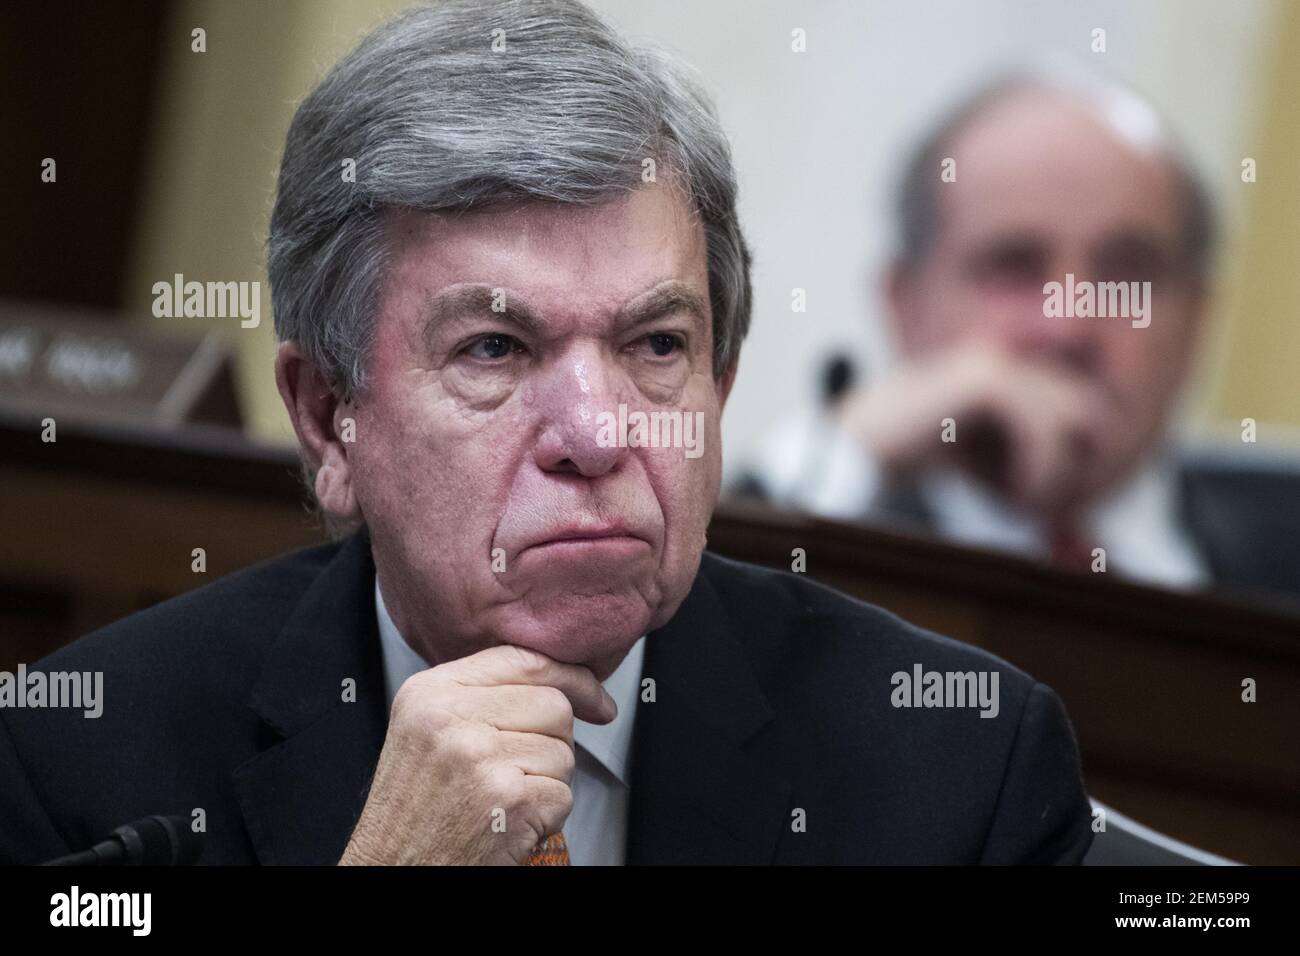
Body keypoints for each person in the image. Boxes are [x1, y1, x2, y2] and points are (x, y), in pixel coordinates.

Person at [0, 0, 1092, 865]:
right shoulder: (85, 764)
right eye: (494, 349)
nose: (595, 432)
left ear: (721, 379)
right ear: (331, 420)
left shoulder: (960, 770)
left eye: (656, 345)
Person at [742, 69, 1300, 603]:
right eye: (1013, 267)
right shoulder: (823, 544)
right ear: (904, 305)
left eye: (1128, 273)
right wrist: (848, 446)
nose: (1067, 326)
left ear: (1198, 319)